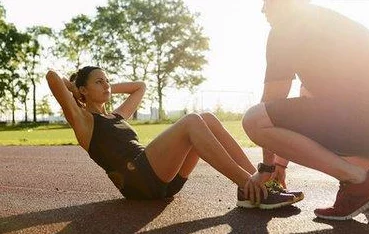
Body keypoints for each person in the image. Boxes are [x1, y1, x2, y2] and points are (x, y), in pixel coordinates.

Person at [46, 66, 300, 209]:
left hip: (164, 181)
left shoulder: (118, 115)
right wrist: (75, 90)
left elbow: (140, 86)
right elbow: (51, 77)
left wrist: (106, 87)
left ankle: (261, 183)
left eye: (107, 81)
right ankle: (250, 185)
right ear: (82, 90)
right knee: (191, 121)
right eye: (99, 83)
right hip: (139, 179)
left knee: (207, 118)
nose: (107, 86)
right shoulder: (84, 122)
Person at [242, 0, 369, 220]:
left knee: (253, 120)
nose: (263, 10)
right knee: (311, 99)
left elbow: (270, 104)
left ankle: (358, 181)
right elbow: (304, 102)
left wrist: (266, 169)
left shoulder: (285, 27)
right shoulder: (324, 22)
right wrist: (281, 164)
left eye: (266, 3)